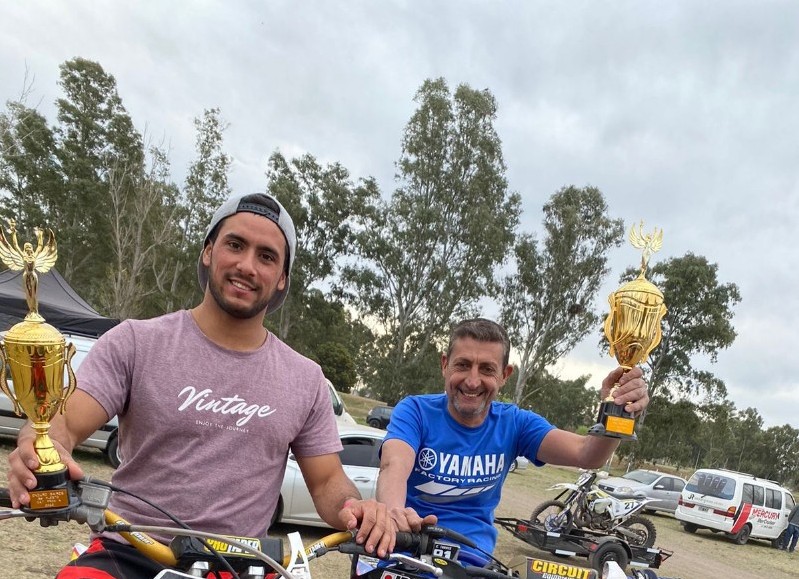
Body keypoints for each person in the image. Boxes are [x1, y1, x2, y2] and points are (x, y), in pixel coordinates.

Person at [7, 192, 394, 578]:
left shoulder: (304, 377)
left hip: (244, 563)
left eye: (267, 256)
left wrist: (356, 508)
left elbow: (327, 480)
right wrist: (39, 448)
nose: (247, 265)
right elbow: (65, 423)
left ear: (282, 280)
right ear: (208, 251)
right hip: (131, 552)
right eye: (235, 245)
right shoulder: (136, 342)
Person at [376, 317, 649, 562]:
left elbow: (587, 454)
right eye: (463, 365)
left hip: (472, 564)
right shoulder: (415, 411)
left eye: (486, 369)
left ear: (505, 375)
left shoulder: (515, 424)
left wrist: (616, 410)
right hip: (406, 550)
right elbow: (393, 467)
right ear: (445, 364)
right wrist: (394, 514)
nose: (472, 381)